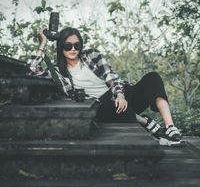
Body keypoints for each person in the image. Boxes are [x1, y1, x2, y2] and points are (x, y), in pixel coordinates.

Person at [28, 26, 182, 146]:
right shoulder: (57, 73)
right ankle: (145, 122)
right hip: (105, 106)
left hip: (121, 95)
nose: (73, 49)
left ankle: (170, 128)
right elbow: (32, 70)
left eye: (76, 45)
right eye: (68, 46)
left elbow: (111, 76)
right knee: (107, 102)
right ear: (61, 47)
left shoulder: (91, 55)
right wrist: (42, 43)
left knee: (152, 78)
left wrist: (120, 94)